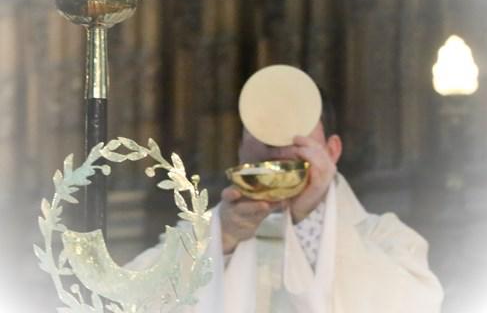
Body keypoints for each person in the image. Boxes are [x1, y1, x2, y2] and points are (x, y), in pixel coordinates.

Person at [129, 91, 443, 313]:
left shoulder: (381, 236)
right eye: (266, 135)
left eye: (294, 136)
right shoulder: (199, 235)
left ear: (331, 151)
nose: (280, 150)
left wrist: (311, 221)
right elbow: (124, 301)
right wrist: (220, 241)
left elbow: (414, 304)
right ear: (241, 150)